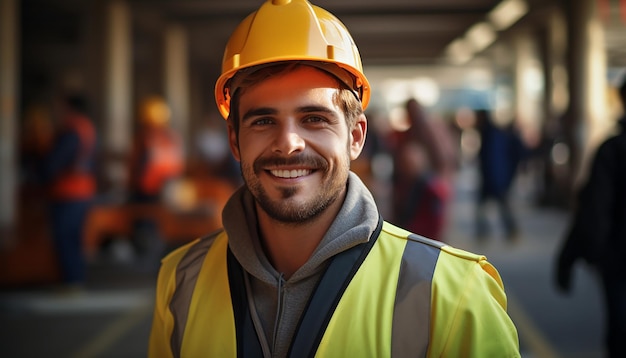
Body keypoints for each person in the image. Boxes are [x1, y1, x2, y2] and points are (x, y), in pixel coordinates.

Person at [148, 1, 520, 357]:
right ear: (234, 140)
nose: (289, 144)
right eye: (263, 121)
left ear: (356, 136)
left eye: (314, 119)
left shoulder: (454, 294)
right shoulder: (181, 280)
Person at [555, 80, 626, 358]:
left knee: (620, 329)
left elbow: (593, 209)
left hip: (619, 261)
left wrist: (570, 258)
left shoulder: (613, 150)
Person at [43, 93, 97, 286]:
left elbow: (56, 161)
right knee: (75, 237)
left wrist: (41, 174)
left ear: (69, 106)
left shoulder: (71, 129)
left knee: (66, 238)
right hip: (83, 190)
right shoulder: (86, 127)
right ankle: (75, 279)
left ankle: (71, 281)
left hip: (67, 191)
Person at [390, 98, 456, 241]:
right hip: (420, 181)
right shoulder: (418, 129)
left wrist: (440, 181)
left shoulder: (428, 129)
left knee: (425, 218)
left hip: (427, 181)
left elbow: (444, 157)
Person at [128, 96, 184, 263]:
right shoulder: (172, 137)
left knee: (143, 221)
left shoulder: (146, 137)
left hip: (146, 189)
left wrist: (132, 185)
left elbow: (141, 165)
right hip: (167, 188)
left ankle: (146, 253)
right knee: (159, 222)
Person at [474, 109, 526, 242]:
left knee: (499, 206)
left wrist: (497, 179)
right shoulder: (490, 134)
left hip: (494, 179)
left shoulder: (491, 135)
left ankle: (503, 230)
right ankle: (486, 231)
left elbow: (493, 160)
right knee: (496, 206)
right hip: (494, 178)